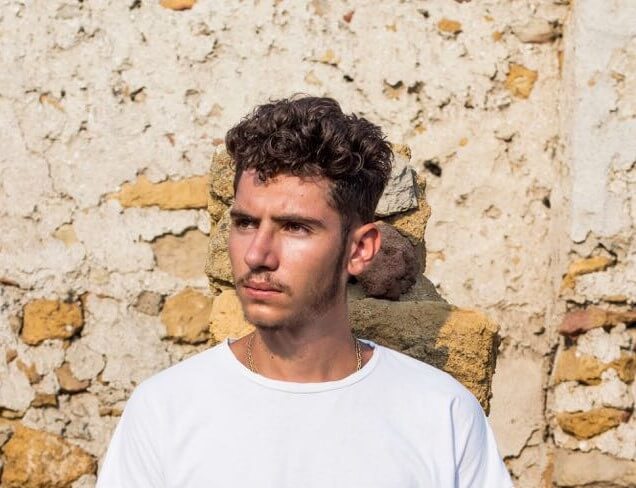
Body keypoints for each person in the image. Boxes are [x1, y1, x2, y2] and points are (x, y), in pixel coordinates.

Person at [96, 95, 513, 487]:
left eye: (295, 227)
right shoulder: (165, 410)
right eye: (245, 223)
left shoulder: (441, 415)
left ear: (359, 249)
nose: (257, 254)